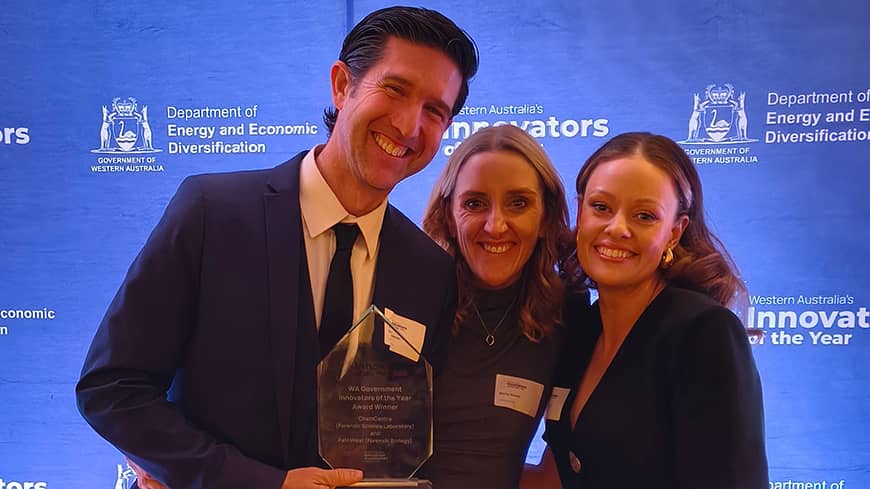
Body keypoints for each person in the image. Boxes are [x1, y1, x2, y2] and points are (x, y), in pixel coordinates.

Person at [75, 7, 478, 489]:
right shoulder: (212, 212)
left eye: (435, 110)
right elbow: (112, 388)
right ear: (342, 85)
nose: (410, 125)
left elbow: (404, 441)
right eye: (395, 89)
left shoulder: (429, 271)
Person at [521, 132, 768, 489]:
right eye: (601, 207)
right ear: (581, 211)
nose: (617, 228)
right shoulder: (582, 330)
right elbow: (558, 477)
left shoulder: (703, 333)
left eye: (644, 215)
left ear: (674, 232)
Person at [419, 125, 585, 489]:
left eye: (519, 203)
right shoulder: (407, 296)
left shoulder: (568, 312)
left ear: (545, 217)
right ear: (449, 214)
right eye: (475, 203)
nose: (496, 225)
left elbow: (562, 465)